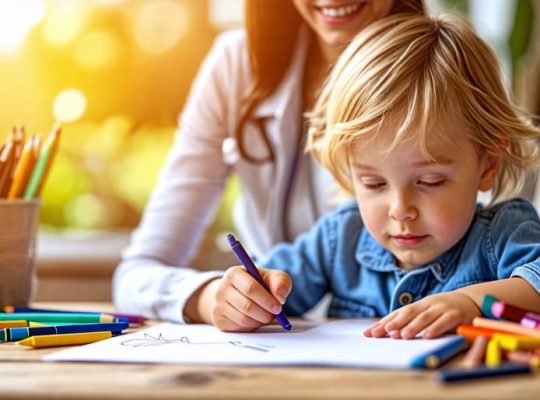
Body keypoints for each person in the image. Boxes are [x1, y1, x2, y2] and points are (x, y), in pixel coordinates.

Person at [186, 13, 540, 338]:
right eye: (374, 184)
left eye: (429, 182)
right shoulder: (340, 238)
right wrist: (240, 297)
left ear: (488, 164)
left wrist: (472, 302)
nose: (400, 210)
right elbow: (266, 287)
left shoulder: (502, 235)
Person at [113, 0, 424, 322]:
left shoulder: (442, 73)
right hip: (273, 343)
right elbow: (136, 275)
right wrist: (211, 297)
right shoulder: (236, 64)